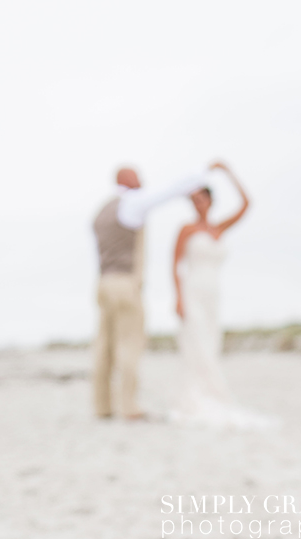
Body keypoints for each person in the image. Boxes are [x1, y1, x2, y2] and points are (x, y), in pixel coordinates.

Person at [91, 165, 210, 420]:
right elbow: (171, 191)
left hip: (103, 282)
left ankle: (101, 406)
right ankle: (129, 406)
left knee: (104, 347)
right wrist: (202, 174)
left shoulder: (102, 211)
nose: (142, 180)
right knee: (130, 344)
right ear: (126, 180)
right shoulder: (133, 203)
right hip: (125, 283)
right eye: (137, 176)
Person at [170, 162, 275, 429]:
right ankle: (193, 398)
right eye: (192, 200)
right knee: (196, 346)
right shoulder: (187, 230)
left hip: (213, 294)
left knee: (211, 344)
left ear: (210, 200)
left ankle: (212, 395)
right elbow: (175, 265)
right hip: (192, 290)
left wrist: (228, 172)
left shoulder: (218, 229)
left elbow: (246, 204)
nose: (197, 204)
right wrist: (178, 297)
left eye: (200, 198)